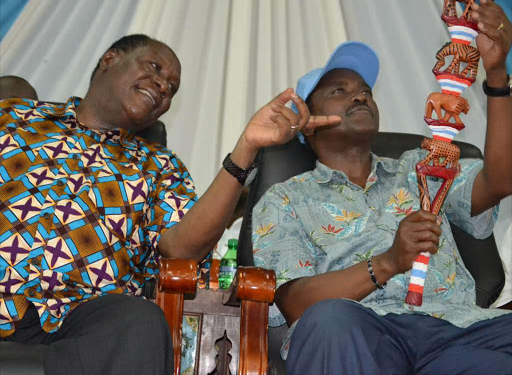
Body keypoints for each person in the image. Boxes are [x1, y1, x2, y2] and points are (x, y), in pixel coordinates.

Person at [0, 34, 340, 374]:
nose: (163, 86)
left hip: (82, 320)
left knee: (140, 320)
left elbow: (180, 251)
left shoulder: (160, 166)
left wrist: (245, 148)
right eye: (154, 68)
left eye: (172, 88)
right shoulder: (13, 117)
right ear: (109, 59)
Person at [253, 0, 512, 374]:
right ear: (308, 123)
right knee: (329, 321)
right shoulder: (285, 199)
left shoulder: (420, 166)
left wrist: (498, 75)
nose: (359, 95)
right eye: (338, 91)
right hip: (361, 333)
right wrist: (388, 262)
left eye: (366, 92)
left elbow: (500, 180)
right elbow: (295, 303)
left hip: (457, 332)